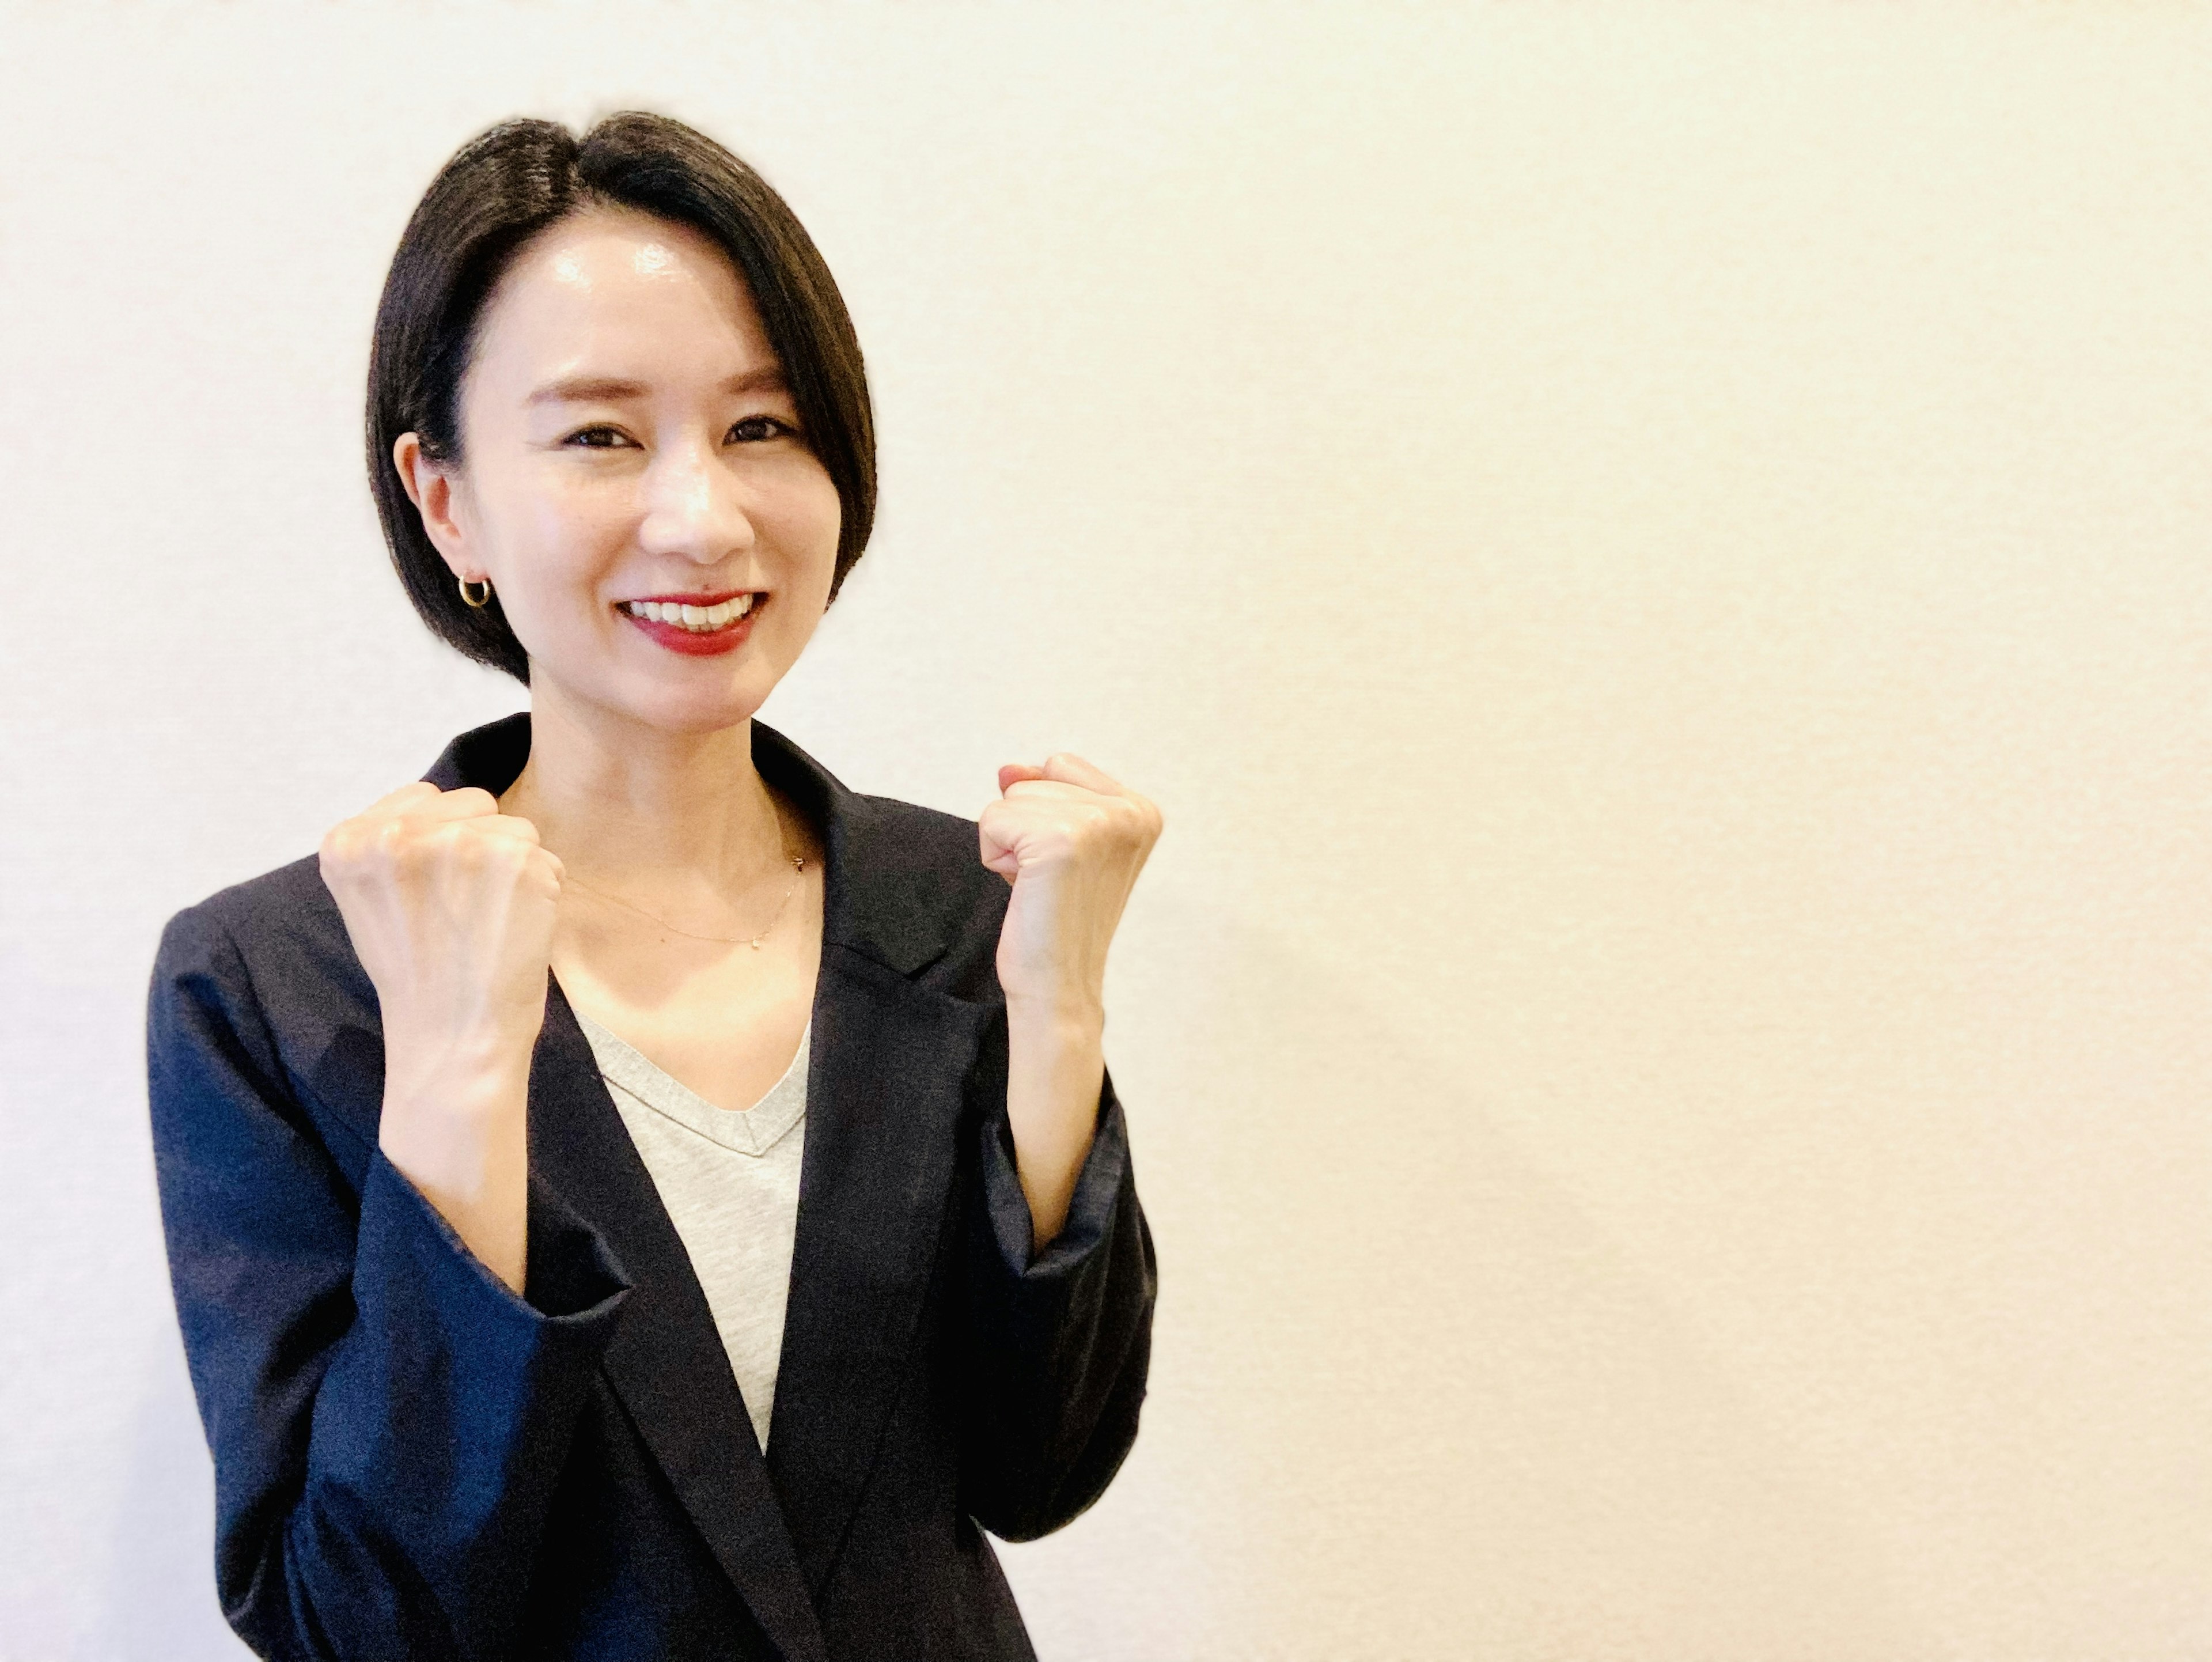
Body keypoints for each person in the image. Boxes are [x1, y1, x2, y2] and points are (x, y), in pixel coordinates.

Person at [145, 111, 1161, 1662]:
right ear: (446, 500)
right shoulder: (277, 979)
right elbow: (357, 1626)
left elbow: (1043, 1469)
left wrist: (1060, 1008)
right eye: (601, 435)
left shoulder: (960, 905)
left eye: (765, 427)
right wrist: (459, 1076)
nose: (704, 517)